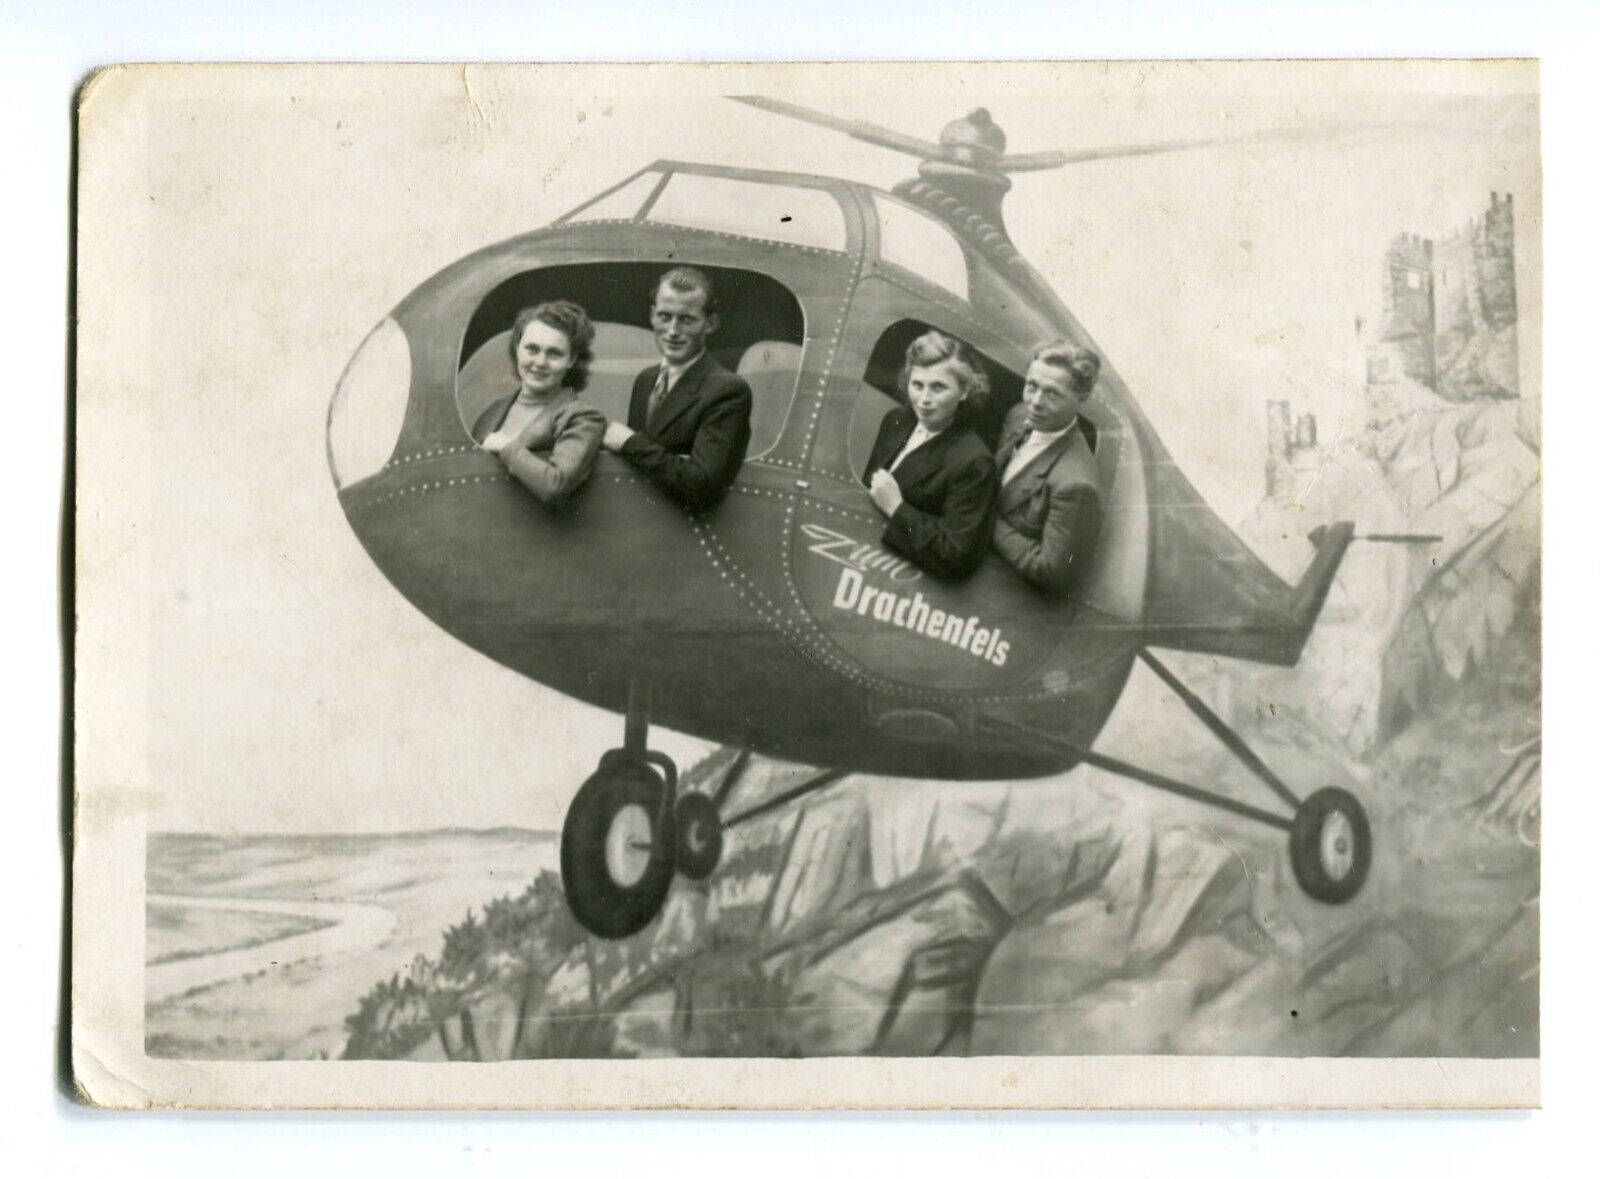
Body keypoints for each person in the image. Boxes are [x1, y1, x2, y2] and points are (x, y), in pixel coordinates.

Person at [601, 266, 753, 512]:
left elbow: (702, 484)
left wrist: (629, 443)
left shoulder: (728, 390)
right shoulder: (645, 380)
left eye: (686, 319)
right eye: (665, 316)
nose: (673, 331)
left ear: (710, 324)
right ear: (652, 316)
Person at [862, 330, 998, 581]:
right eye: (917, 385)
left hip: (901, 580)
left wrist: (896, 508)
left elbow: (954, 555)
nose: (924, 399)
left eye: (938, 387)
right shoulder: (896, 420)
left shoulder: (975, 462)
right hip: (862, 556)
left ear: (965, 391)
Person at [991, 340, 1104, 595]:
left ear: (1082, 398)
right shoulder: (1019, 416)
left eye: (1052, 394)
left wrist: (985, 520)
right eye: (1032, 386)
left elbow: (1051, 571)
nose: (1035, 402)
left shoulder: (1077, 484)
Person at [474, 301, 605, 505]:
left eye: (554, 353)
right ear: (517, 349)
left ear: (571, 359)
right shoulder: (491, 413)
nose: (540, 362)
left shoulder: (583, 418)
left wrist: (507, 447)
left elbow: (556, 483)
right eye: (532, 349)